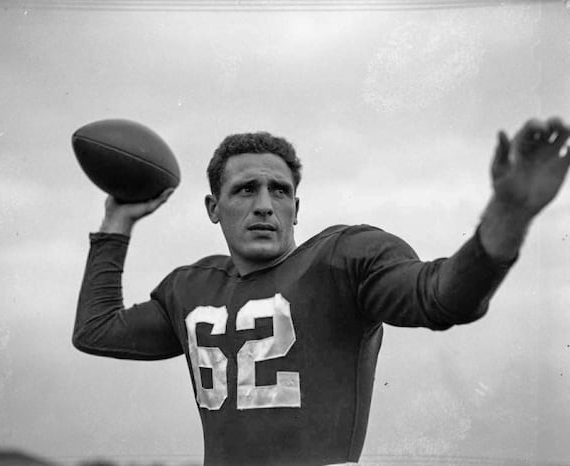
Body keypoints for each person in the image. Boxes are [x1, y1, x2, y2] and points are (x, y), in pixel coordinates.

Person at [73, 118, 570, 466]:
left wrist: (506, 217)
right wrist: (117, 221)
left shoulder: (342, 258)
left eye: (280, 190)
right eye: (246, 190)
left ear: (296, 206)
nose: (265, 205)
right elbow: (96, 331)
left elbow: (441, 297)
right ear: (212, 207)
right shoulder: (190, 288)